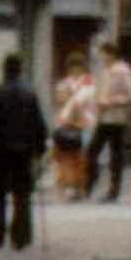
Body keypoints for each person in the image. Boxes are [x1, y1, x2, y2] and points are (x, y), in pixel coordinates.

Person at [0, 53, 48, 252]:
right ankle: (21, 236)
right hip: (23, 151)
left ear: (4, 71)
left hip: (0, 151)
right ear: (20, 70)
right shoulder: (30, 94)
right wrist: (39, 149)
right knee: (22, 194)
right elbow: (39, 125)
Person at [91, 48, 131, 202]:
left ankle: (114, 189)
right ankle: (91, 181)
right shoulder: (105, 71)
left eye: (104, 55)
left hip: (116, 118)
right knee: (92, 150)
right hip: (103, 117)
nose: (102, 58)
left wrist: (111, 102)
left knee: (115, 154)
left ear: (111, 54)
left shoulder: (123, 71)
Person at [50, 60, 97, 198]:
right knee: (61, 159)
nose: (75, 70)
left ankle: (78, 188)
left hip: (80, 128)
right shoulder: (64, 84)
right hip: (63, 130)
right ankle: (63, 187)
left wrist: (71, 120)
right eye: (73, 67)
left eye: (78, 67)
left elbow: (87, 106)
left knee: (80, 160)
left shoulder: (88, 82)